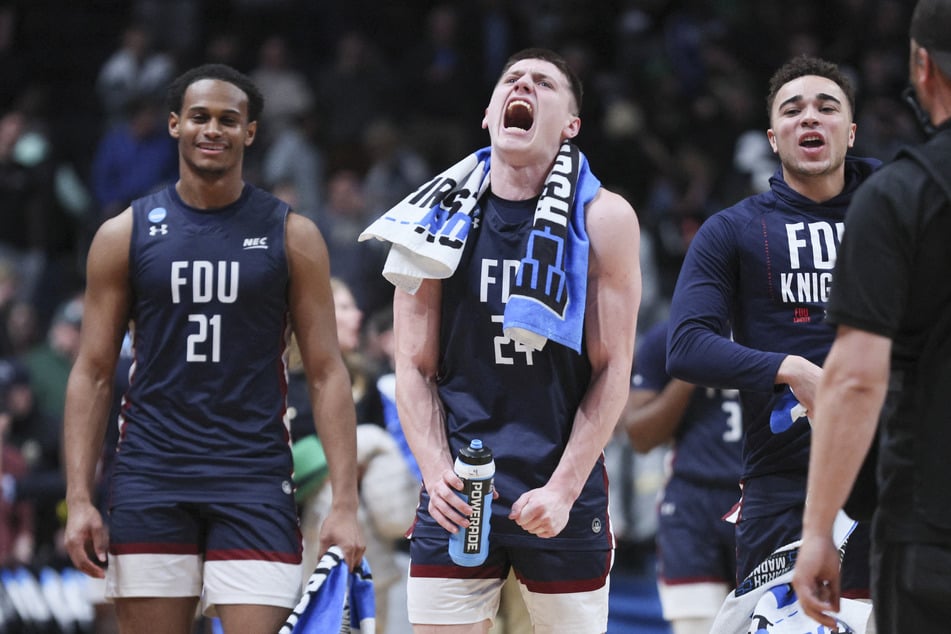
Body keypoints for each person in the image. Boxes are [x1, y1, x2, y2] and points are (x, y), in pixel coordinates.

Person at [61, 63, 364, 634]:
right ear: (175, 124)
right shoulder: (124, 233)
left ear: (249, 133)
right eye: (199, 116)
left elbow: (326, 373)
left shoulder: (293, 236)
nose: (213, 129)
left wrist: (345, 503)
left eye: (230, 119)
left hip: (253, 476)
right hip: (152, 472)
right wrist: (79, 498)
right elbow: (94, 372)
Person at [366, 47, 641, 632]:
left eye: (544, 82)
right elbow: (411, 364)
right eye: (512, 79)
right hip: (460, 485)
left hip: (560, 486)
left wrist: (565, 490)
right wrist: (435, 470)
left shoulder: (604, 218)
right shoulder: (432, 217)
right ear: (490, 116)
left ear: (570, 126)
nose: (524, 85)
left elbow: (613, 368)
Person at [666, 55, 879, 605]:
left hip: (894, 478)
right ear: (773, 136)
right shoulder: (732, 229)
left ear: (850, 131)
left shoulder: (895, 212)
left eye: (827, 108)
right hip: (784, 484)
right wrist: (790, 369)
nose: (810, 117)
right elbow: (686, 346)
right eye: (793, 110)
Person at [793, 1, 951, 631]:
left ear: (921, 66)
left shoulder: (897, 195)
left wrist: (817, 531)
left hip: (932, 524)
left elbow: (857, 378)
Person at [619, 319, 742, 634]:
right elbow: (641, 436)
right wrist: (689, 372)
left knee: (775, 621)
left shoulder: (782, 323)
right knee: (697, 627)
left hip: (767, 498)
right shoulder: (669, 335)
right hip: (693, 502)